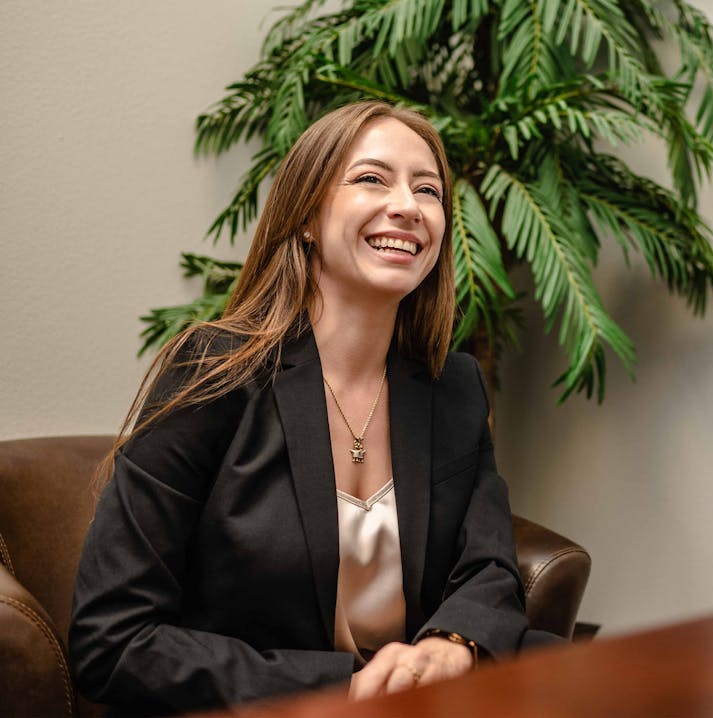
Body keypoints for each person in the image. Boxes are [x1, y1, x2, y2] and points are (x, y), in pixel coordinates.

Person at [69, 101, 530, 715]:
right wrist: (349, 686)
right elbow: (111, 639)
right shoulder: (214, 371)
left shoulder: (455, 388)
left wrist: (451, 646)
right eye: (371, 178)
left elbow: (490, 567)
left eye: (428, 190)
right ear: (307, 217)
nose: (408, 206)